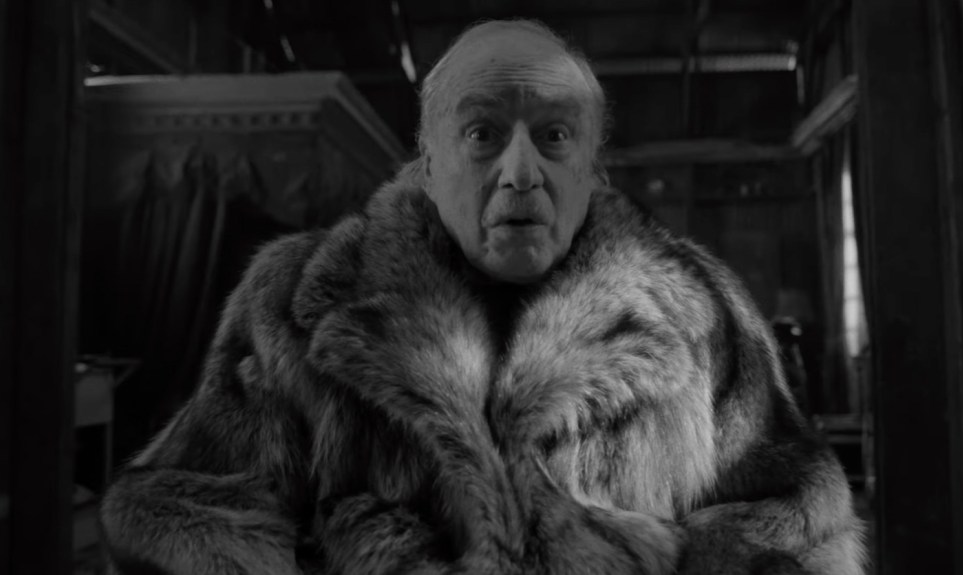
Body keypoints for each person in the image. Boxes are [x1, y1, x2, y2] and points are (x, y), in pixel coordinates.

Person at [100, 19, 866, 575]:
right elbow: (179, 519)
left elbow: (796, 525)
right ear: (429, 163)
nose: (521, 171)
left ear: (593, 167)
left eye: (555, 136)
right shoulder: (296, 302)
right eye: (482, 134)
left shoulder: (698, 312)